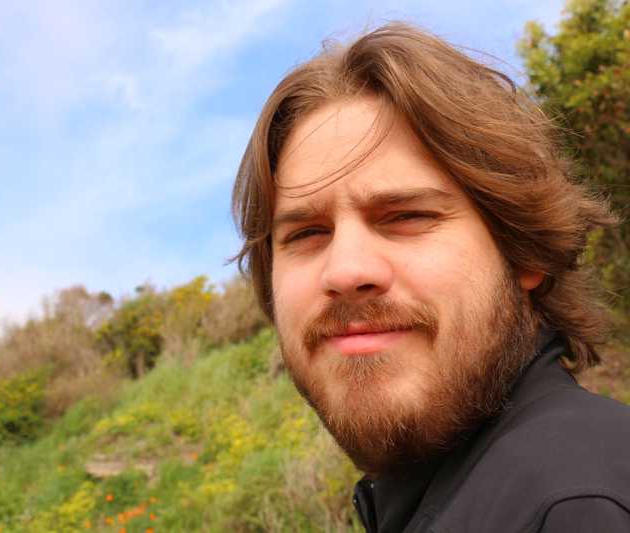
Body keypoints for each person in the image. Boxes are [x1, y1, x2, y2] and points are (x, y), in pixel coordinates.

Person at [231, 22, 630, 532]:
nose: (347, 270)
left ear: (523, 253)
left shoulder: (579, 506)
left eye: (406, 216)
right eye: (307, 232)